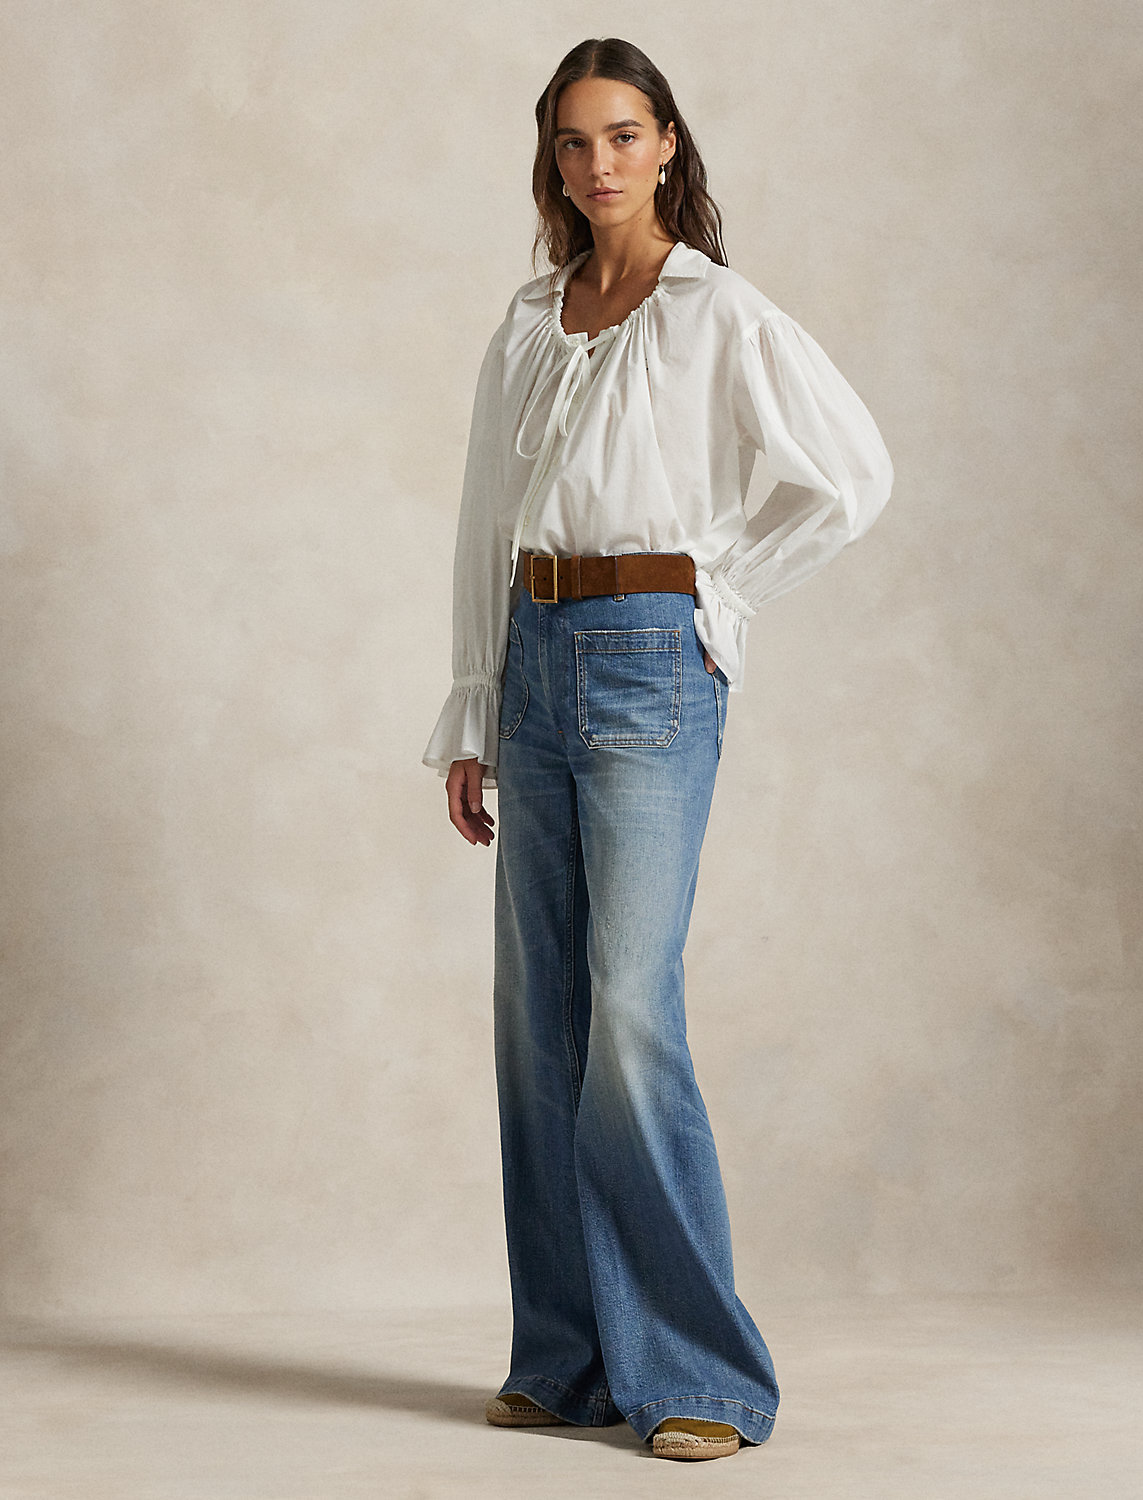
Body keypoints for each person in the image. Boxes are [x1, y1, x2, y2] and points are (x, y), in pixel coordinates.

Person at [422, 37, 893, 1463]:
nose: (599, 163)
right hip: (533, 655)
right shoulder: (531, 318)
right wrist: (473, 703)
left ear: (668, 143)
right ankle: (566, 1358)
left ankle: (701, 1375)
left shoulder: (714, 311)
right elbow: (485, 515)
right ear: (553, 160)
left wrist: (719, 589)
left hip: (647, 660)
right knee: (538, 1020)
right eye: (573, 141)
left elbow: (849, 474)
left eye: (623, 135)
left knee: (628, 1010)